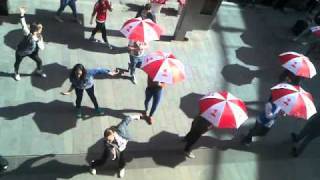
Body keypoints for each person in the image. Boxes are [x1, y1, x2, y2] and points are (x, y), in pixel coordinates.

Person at [14, 7, 46, 81]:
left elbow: (42, 48)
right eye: (40, 28)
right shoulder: (27, 33)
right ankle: (16, 73)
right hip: (21, 51)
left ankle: (39, 71)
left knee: (39, 61)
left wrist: (38, 41)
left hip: (32, 52)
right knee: (17, 63)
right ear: (36, 30)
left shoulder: (39, 36)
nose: (42, 28)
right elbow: (23, 24)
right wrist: (22, 14)